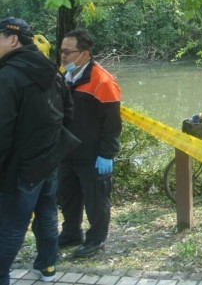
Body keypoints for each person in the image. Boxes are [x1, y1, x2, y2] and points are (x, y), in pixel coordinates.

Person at [0, 17, 75, 284]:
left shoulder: (8, 75)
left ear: (12, 39)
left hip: (22, 167)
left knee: (11, 224)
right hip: (49, 160)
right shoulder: (51, 70)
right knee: (46, 212)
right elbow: (67, 114)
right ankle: (47, 268)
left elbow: (3, 129)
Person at [57, 28, 122, 258]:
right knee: (68, 197)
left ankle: (96, 239)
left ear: (84, 53)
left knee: (96, 200)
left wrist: (107, 154)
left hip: (93, 155)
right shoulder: (66, 76)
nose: (63, 56)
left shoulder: (102, 81)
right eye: (61, 51)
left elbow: (112, 124)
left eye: (68, 52)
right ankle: (71, 233)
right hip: (67, 153)